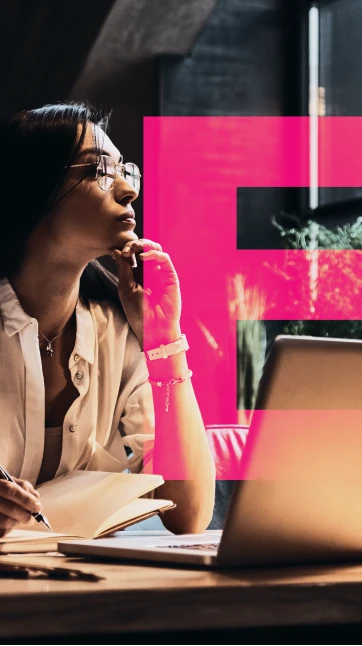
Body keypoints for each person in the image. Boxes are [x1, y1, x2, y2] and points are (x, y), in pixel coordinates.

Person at [0, 102, 215, 536]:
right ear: (36, 187)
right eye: (100, 170)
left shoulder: (118, 332)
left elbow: (187, 515)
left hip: (82, 592)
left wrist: (164, 339)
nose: (128, 190)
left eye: (126, 171)